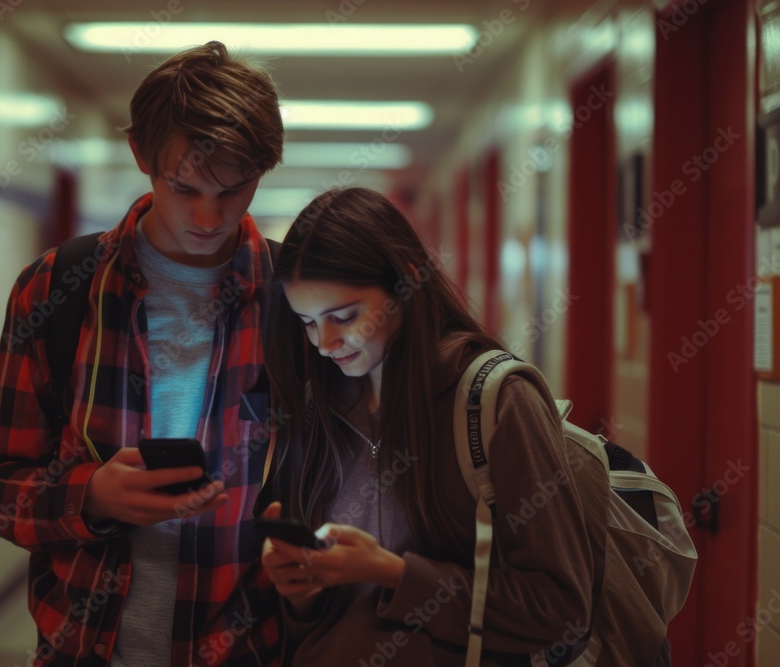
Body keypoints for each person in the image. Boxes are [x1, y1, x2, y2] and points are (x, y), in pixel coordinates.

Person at [0, 41, 285, 666]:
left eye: (234, 189)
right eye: (184, 185)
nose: (207, 215)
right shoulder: (58, 289)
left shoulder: (295, 301)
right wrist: (92, 497)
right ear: (142, 154)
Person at [257, 187, 609, 665]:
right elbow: (316, 622)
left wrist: (396, 575)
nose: (325, 343)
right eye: (308, 322)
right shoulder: (314, 408)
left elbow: (561, 611)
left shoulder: (495, 400)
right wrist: (301, 589)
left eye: (344, 316)